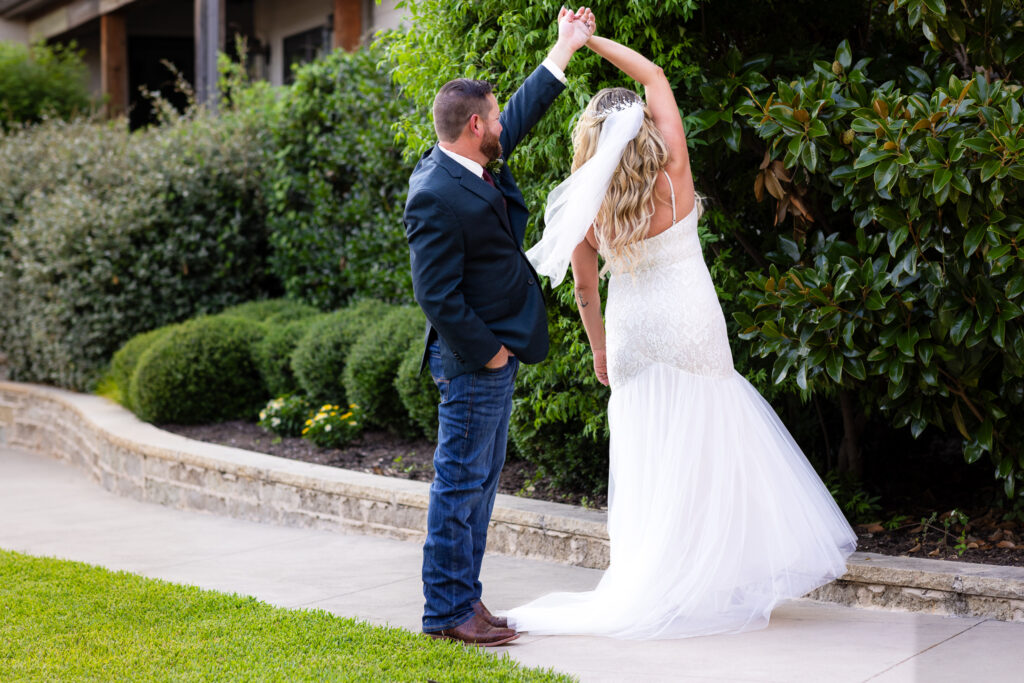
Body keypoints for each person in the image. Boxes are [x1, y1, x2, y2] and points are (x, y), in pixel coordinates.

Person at [505, 30, 858, 639]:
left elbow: (586, 292)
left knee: (648, 450)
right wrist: (591, 43)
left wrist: (598, 347)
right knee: (711, 441)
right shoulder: (674, 168)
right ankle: (711, 578)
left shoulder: (590, 207)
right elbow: (655, 75)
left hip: (635, 332)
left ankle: (658, 577)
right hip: (692, 321)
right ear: (641, 124)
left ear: (590, 139)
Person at [404, 7, 597, 647]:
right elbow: (436, 294)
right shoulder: (434, 191)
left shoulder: (474, 156)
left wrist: (564, 47)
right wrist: (488, 354)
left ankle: (468, 600)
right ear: (474, 126)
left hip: (496, 353)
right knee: (459, 485)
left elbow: (524, 110)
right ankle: (445, 615)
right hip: (472, 360)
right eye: (493, 116)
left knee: (482, 486)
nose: (502, 126)